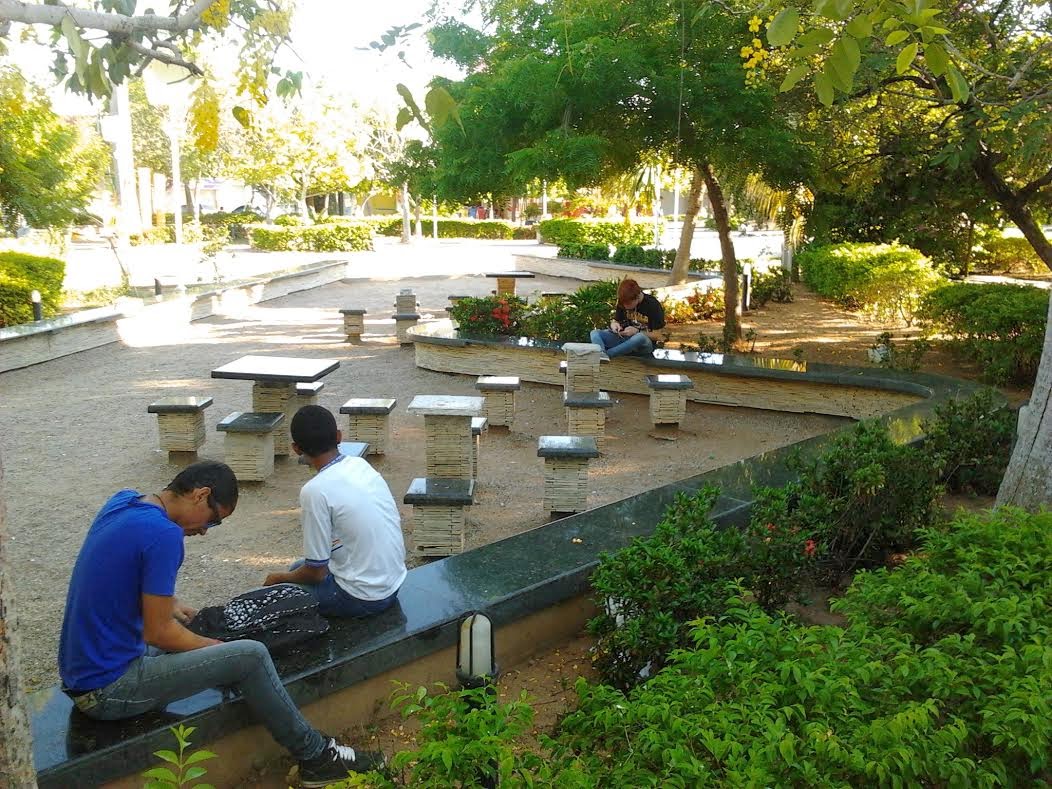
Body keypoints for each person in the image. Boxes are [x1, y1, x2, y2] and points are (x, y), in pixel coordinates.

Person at [58, 460, 383, 787]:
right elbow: (158, 632)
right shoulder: (164, 535)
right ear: (201, 495)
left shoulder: (124, 502)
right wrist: (216, 648)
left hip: (84, 673)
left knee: (203, 638)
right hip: (109, 689)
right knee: (249, 656)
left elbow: (116, 572)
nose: (204, 531)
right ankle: (317, 757)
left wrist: (170, 603)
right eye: (213, 520)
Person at [263, 405, 407, 619]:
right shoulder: (360, 464)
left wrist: (277, 578)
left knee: (283, 591)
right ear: (339, 436)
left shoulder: (314, 491)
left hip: (363, 598)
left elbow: (316, 572)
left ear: (296, 449)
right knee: (296, 567)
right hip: (393, 583)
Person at [589, 278, 666, 358]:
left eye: (628, 304)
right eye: (623, 304)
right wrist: (614, 325)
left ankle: (605, 356)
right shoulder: (623, 301)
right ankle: (602, 354)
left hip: (643, 344)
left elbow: (657, 335)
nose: (625, 307)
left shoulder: (653, 305)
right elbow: (616, 320)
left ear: (637, 297)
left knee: (640, 337)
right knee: (595, 333)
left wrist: (637, 331)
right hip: (624, 340)